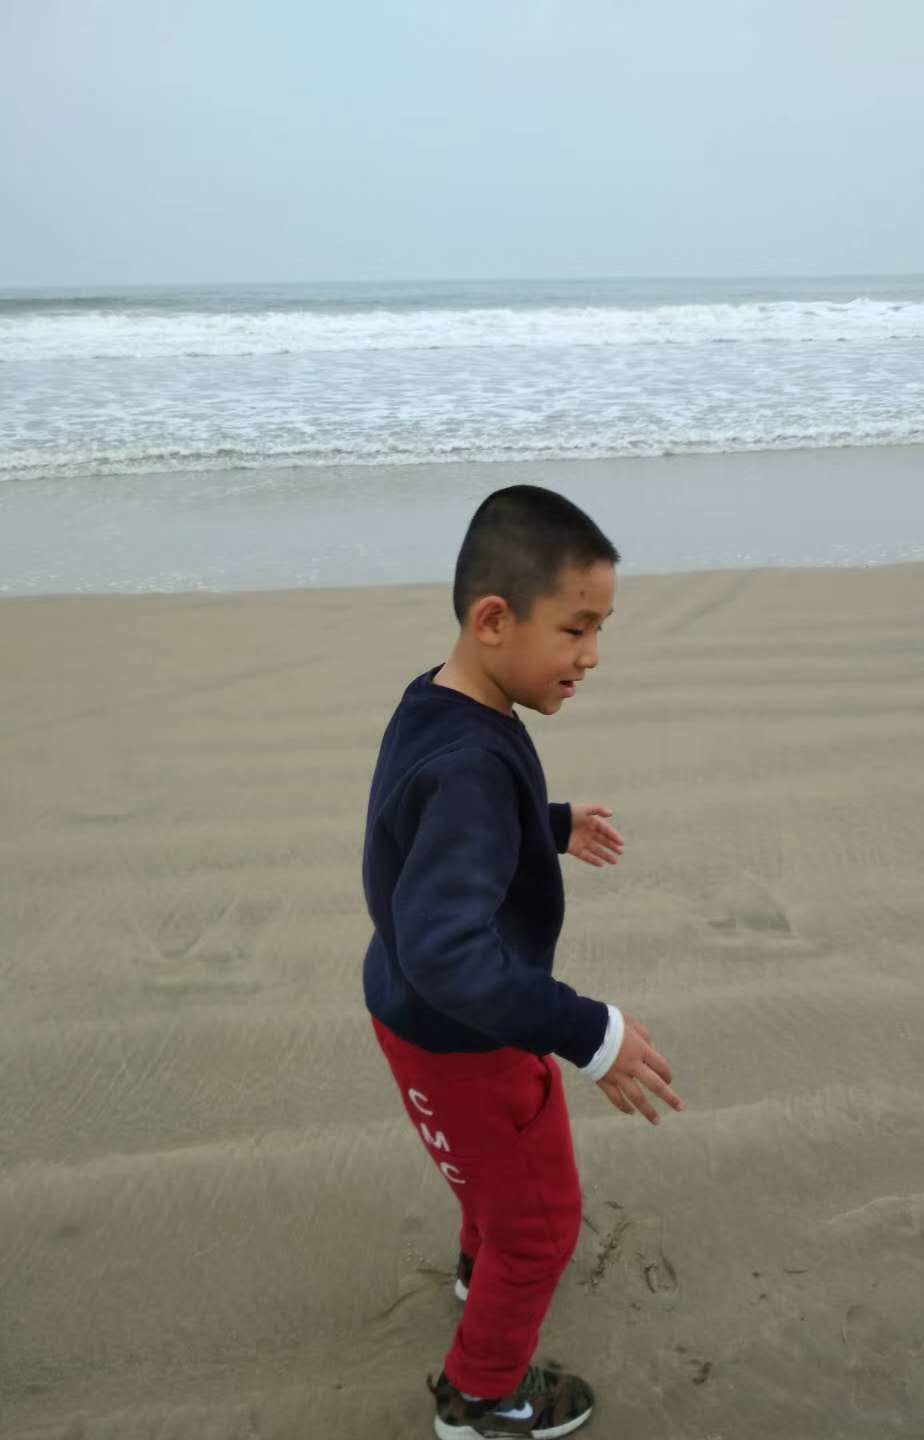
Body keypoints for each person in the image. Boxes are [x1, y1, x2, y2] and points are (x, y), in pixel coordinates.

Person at [362, 484, 684, 1439]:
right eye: (576, 628)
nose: (593, 655)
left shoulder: (439, 701)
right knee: (542, 1226)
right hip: (467, 1036)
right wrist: (590, 1032)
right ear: (495, 619)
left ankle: (480, 1266)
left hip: (411, 1011)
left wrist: (546, 824)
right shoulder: (470, 765)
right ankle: (482, 1397)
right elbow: (449, 949)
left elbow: (430, 823)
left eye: (601, 629)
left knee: (490, 1182)